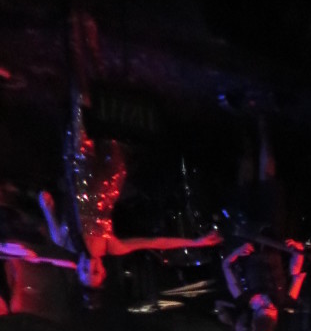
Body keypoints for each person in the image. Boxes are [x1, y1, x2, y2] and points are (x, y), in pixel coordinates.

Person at [39, 92, 220, 290]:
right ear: (103, 270)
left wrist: (46, 203)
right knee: (111, 131)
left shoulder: (63, 241)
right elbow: (155, 242)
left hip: (80, 174)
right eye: (95, 272)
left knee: (79, 122)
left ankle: (81, 89)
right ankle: (105, 92)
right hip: (108, 181)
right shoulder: (111, 247)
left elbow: (47, 206)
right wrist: (196, 242)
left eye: (84, 271)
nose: (89, 266)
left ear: (77, 269)